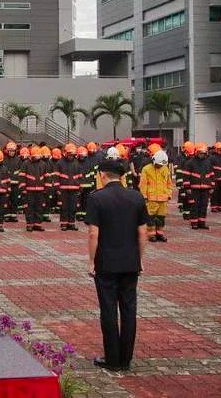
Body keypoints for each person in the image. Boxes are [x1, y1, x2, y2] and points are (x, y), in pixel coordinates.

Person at [85, 159, 148, 372]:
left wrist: (91, 260)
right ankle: (126, 358)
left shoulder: (96, 198)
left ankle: (112, 358)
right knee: (129, 310)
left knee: (109, 309)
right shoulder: (136, 197)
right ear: (121, 176)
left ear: (103, 175)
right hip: (130, 262)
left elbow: (94, 233)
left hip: (106, 262)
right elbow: (142, 232)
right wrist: (139, 258)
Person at [139, 150, 172, 242]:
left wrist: (169, 194)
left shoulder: (165, 169)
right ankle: (151, 234)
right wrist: (144, 196)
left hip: (163, 198)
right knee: (150, 218)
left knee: (161, 217)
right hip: (151, 198)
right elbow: (143, 184)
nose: (160, 166)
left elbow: (169, 183)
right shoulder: (146, 169)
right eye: (158, 164)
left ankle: (160, 233)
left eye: (161, 165)